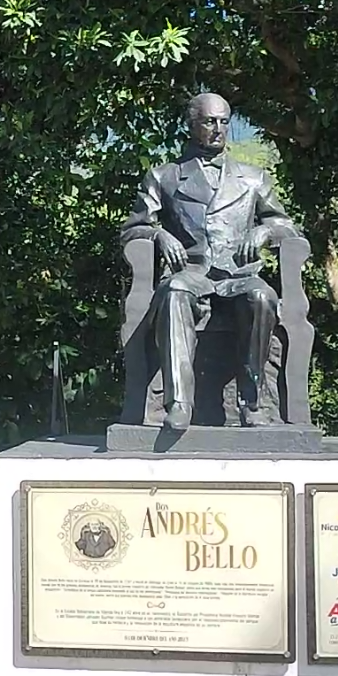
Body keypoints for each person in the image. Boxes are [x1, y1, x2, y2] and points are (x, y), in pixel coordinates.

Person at [121, 93, 299, 432]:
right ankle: (178, 404)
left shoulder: (253, 177)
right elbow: (133, 228)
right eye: (208, 121)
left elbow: (285, 225)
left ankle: (252, 402)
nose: (217, 129)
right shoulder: (165, 176)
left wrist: (264, 231)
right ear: (191, 126)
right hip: (191, 272)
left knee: (262, 297)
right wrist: (158, 235)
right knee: (173, 291)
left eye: (223, 122)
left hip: (238, 274)